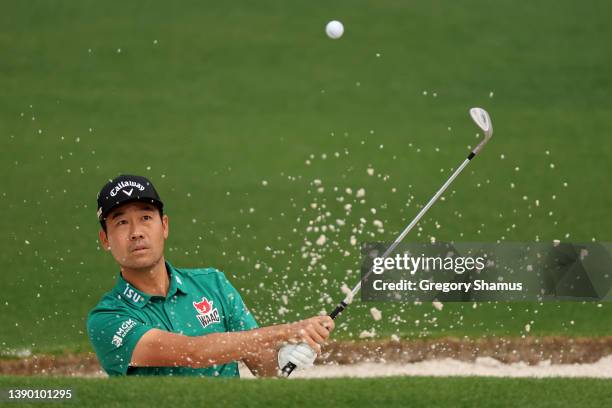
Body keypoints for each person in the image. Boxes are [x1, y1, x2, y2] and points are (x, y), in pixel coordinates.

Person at [87, 174, 333, 377]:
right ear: (105, 240)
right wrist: (286, 331)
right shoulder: (108, 319)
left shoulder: (212, 283)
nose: (136, 232)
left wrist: (285, 356)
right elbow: (193, 353)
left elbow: (265, 370)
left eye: (145, 218)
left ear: (164, 226)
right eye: (121, 223)